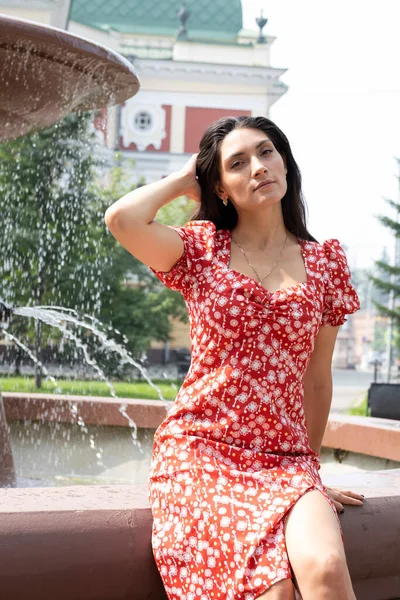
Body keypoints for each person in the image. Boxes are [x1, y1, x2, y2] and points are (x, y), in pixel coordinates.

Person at [105, 116, 363, 600]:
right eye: (238, 163)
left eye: (267, 152)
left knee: (326, 566)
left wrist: (311, 472)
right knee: (275, 592)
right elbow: (122, 220)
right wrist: (187, 178)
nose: (259, 168)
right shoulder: (201, 249)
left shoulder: (326, 260)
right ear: (220, 187)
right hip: (203, 451)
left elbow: (317, 382)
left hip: (285, 460)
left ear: (284, 161)